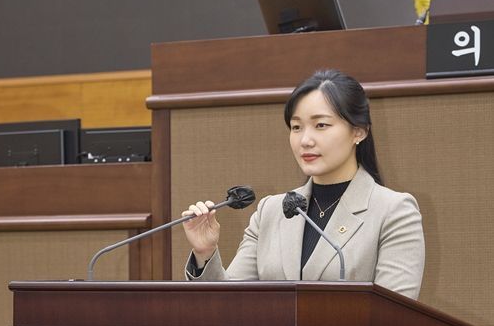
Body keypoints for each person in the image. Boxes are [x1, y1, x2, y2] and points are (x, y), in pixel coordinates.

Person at [181, 69, 425, 299]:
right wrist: (205, 253)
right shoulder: (271, 211)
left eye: (321, 125)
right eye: (296, 127)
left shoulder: (394, 211)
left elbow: (394, 316)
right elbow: (229, 305)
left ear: (359, 131)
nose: (305, 140)